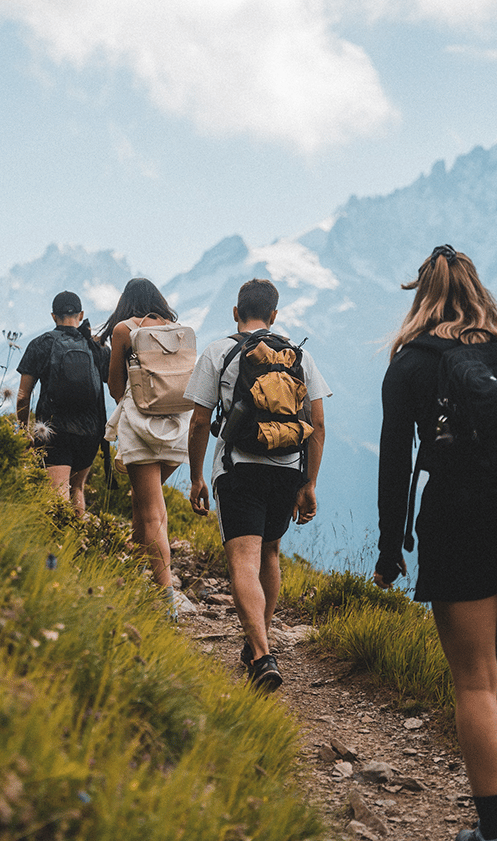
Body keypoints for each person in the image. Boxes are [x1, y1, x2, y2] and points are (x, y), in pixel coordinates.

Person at [374, 246, 497, 841]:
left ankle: (492, 830)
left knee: (472, 677)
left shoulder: (412, 364)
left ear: (420, 296)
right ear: (479, 292)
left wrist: (390, 547)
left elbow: (395, 465)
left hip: (461, 523)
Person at [184, 278, 331, 691]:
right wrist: (309, 483)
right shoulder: (299, 356)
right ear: (274, 315)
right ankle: (257, 645)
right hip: (287, 467)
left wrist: (196, 476)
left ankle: (263, 653)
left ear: (236, 312)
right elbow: (317, 424)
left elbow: (199, 421)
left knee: (242, 560)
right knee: (270, 552)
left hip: (240, 467)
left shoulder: (219, 350)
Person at [99, 278, 190, 614]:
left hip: (141, 426)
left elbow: (115, 384)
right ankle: (139, 567)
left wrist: (130, 394)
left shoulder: (124, 329)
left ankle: (166, 597)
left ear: (126, 301)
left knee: (150, 511)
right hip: (177, 426)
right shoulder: (176, 330)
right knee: (145, 500)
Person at [17, 290, 109, 515]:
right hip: (90, 431)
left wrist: (22, 429)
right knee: (77, 489)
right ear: (81, 314)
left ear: (53, 316)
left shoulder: (41, 344)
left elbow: (22, 395)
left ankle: (57, 546)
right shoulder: (97, 348)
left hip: (53, 430)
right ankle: (78, 545)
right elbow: (115, 386)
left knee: (57, 494)